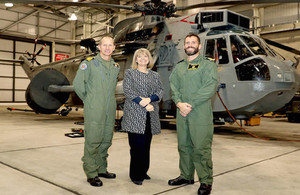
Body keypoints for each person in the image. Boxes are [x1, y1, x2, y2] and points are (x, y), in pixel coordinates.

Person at [169, 33, 218, 195]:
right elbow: (173, 86)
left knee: (201, 147)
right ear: (184, 46)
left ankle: (205, 181)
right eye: (187, 43)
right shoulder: (180, 66)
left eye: (193, 42)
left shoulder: (208, 65)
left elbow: (209, 88)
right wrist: (178, 103)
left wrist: (190, 105)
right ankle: (186, 175)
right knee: (183, 146)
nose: (190, 45)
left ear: (199, 46)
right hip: (182, 112)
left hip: (199, 113)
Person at [73, 36, 120, 187]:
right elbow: (78, 85)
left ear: (114, 48)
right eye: (104, 45)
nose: (107, 48)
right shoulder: (89, 64)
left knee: (106, 140)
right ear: (99, 47)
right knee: (93, 140)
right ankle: (91, 173)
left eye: (110, 45)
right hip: (94, 108)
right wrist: (89, 100)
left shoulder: (115, 66)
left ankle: (101, 169)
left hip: (110, 109)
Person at [121, 48, 163, 185]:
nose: (143, 59)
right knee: (136, 146)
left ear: (149, 59)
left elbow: (160, 91)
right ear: (136, 60)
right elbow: (128, 91)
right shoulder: (130, 73)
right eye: (140, 57)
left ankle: (144, 171)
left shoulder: (155, 75)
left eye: (145, 56)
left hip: (150, 115)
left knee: (146, 145)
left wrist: (149, 99)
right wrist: (143, 103)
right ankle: (135, 175)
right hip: (134, 115)